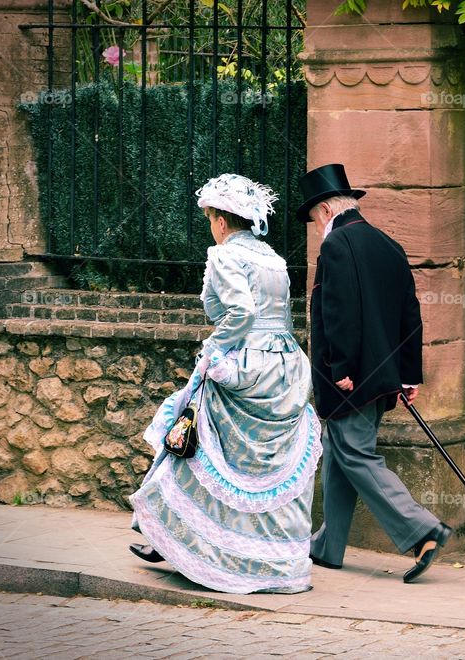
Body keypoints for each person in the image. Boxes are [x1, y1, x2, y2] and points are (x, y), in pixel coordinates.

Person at [128, 173, 322, 595]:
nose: (210, 225)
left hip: (244, 365)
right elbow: (278, 316)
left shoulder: (223, 256)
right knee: (254, 469)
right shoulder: (272, 257)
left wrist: (213, 352)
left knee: (195, 447)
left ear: (220, 219)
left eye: (210, 217)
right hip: (284, 368)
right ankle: (274, 562)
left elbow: (241, 313)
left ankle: (192, 548)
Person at [299, 163, 451, 584]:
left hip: (349, 377)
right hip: (381, 376)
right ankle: (328, 546)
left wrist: (342, 368)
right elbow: (409, 315)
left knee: (355, 454)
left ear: (327, 210)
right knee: (339, 453)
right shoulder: (388, 244)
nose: (315, 227)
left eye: (314, 218)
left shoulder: (337, 246)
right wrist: (408, 376)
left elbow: (339, 313)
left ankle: (423, 530)